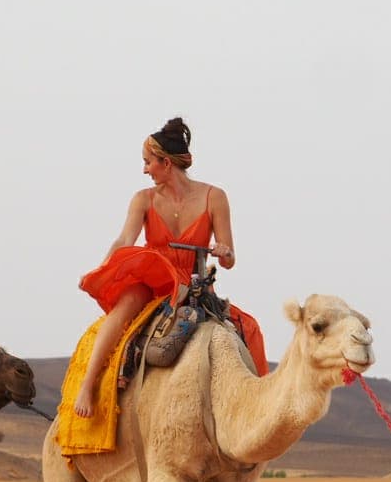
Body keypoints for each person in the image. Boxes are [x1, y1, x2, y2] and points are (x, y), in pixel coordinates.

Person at [72, 116, 267, 418]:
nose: (144, 169)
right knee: (125, 307)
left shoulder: (214, 197)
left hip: (195, 283)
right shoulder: (144, 199)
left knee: (248, 329)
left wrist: (224, 251)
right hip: (153, 278)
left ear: (166, 162)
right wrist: (103, 267)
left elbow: (229, 260)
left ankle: (253, 409)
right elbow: (125, 238)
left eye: (148, 162)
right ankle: (88, 385)